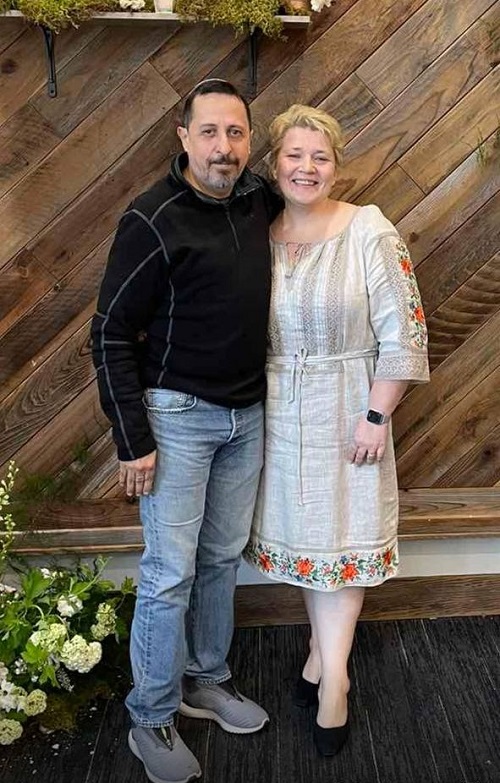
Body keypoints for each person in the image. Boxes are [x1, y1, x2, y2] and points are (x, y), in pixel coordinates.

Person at [91, 79, 282, 783]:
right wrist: (132, 439)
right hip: (176, 418)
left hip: (247, 415)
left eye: (235, 132)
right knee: (169, 572)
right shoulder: (152, 218)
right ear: (183, 137)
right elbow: (110, 333)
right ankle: (150, 716)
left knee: (221, 558)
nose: (223, 147)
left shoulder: (259, 198)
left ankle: (206, 679)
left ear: (249, 140)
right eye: (209, 132)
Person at [244, 104, 430, 757]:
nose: (307, 167)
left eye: (319, 157)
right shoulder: (259, 235)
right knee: (309, 545)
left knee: (341, 544)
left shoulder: (368, 229)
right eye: (294, 155)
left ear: (336, 166)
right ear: (275, 164)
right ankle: (320, 656)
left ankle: (335, 683)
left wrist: (377, 414)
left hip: (350, 407)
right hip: (278, 412)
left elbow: (404, 330)